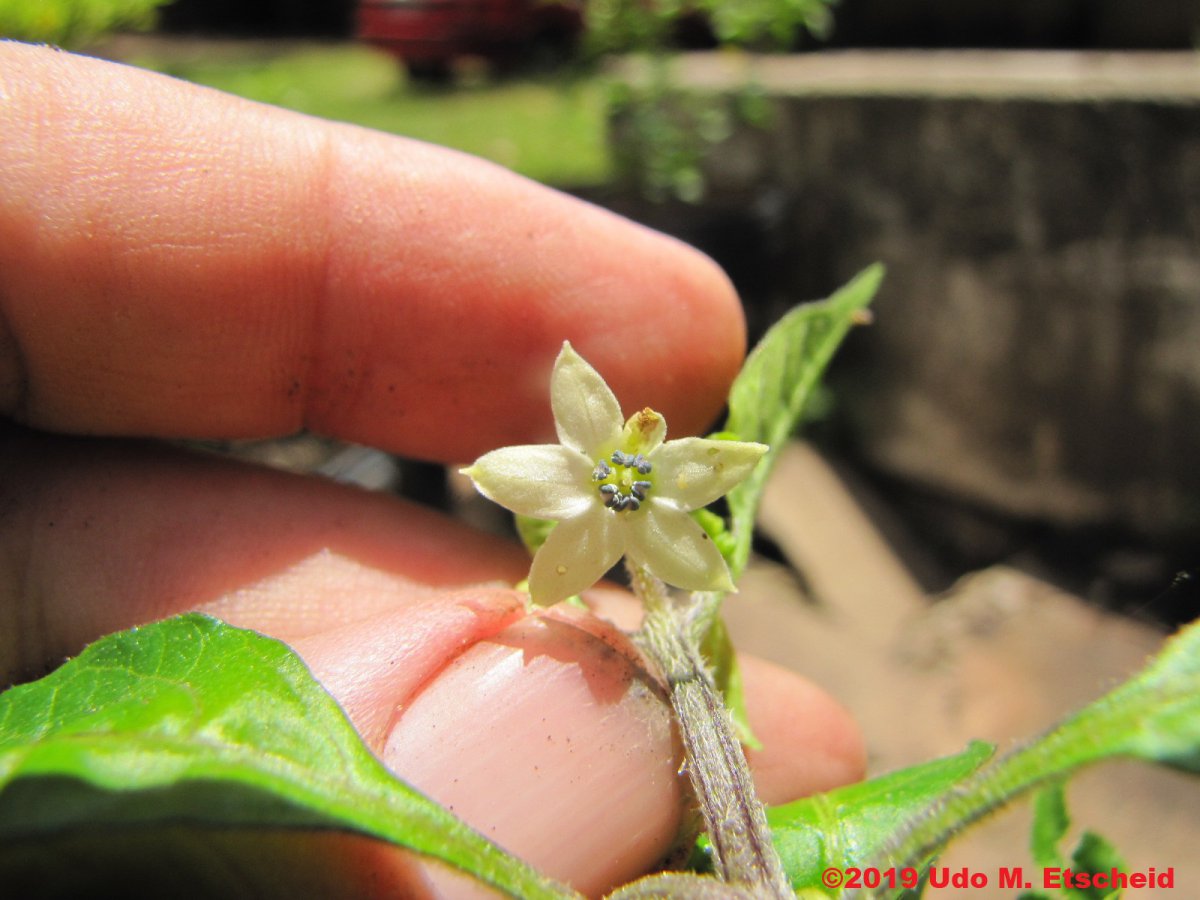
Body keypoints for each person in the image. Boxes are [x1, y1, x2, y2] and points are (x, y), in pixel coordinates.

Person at [0, 41, 864, 896]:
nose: (622, 484)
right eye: (619, 477)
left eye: (628, 478)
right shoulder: (586, 485)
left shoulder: (650, 494)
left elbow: (681, 529)